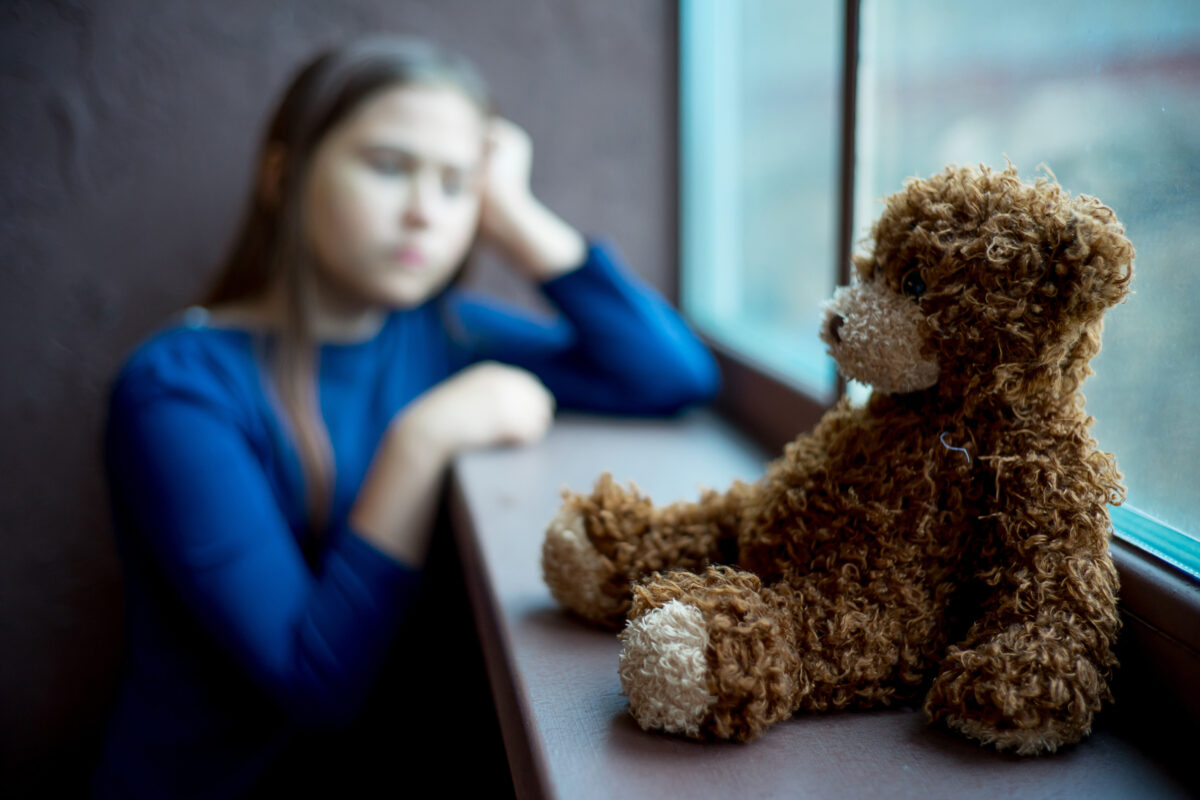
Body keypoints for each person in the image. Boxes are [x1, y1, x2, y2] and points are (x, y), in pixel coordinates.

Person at [92, 36, 717, 798]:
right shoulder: (175, 390)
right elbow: (313, 684)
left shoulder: (442, 335)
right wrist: (422, 441)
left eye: (456, 184)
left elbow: (670, 374)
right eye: (389, 167)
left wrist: (516, 218)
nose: (425, 211)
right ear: (282, 177)